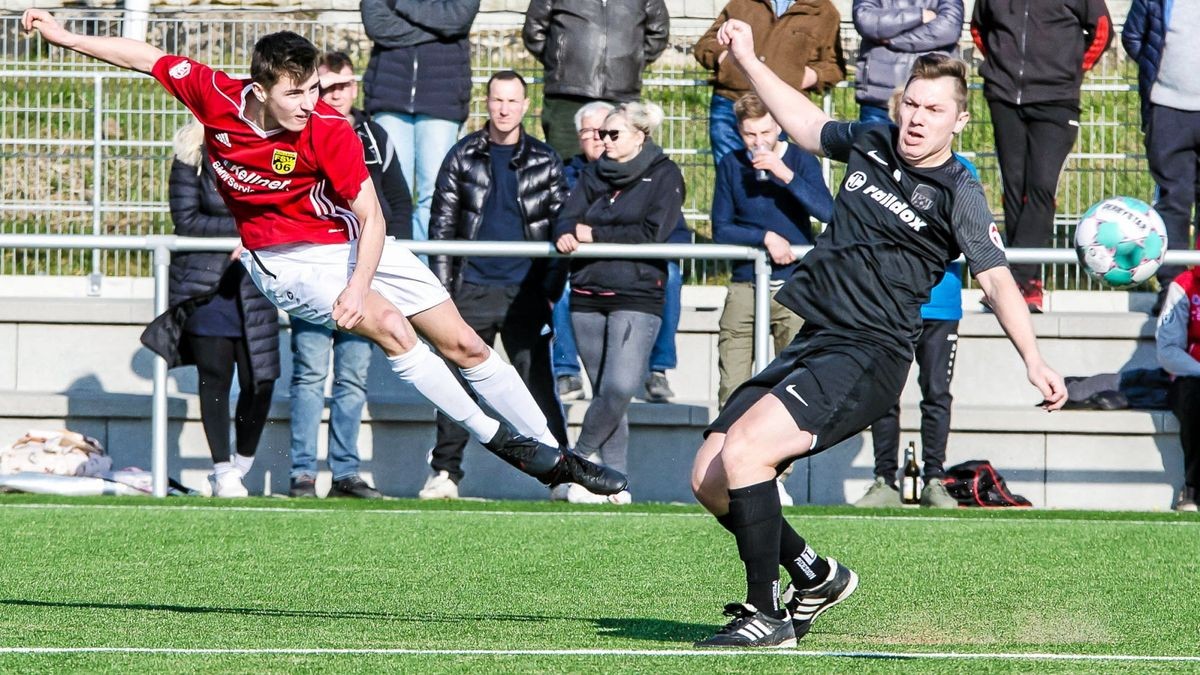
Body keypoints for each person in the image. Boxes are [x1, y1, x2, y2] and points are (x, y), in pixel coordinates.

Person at [22, 9, 626, 500]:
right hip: (284, 262)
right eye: (296, 93)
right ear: (260, 90)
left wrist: (357, 285)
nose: (311, 101)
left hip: (354, 244)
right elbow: (144, 57)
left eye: (315, 88)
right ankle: (506, 444)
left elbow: (371, 214)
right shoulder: (216, 95)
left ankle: (556, 453)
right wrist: (63, 34)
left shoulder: (329, 128)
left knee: (466, 343)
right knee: (390, 325)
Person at [689, 19, 1067, 648]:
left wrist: (1033, 358)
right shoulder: (872, 140)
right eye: (911, 104)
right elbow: (806, 125)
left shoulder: (959, 193)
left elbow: (997, 279)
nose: (917, 118)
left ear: (959, 121)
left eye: (934, 109)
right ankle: (816, 576)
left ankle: (766, 614)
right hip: (818, 337)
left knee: (746, 454)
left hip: (869, 352)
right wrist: (752, 61)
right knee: (709, 477)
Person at [419, 70, 571, 500]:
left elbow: (562, 223)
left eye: (513, 101)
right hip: (471, 287)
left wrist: (548, 289)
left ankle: (561, 474)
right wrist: (444, 292)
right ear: (487, 103)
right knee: (456, 383)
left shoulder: (545, 159)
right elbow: (442, 227)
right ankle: (445, 473)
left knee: (537, 383)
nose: (504, 109)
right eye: (497, 100)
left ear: (526, 106)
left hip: (525, 290)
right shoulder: (462, 155)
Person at [286, 51, 414, 500]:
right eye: (327, 86)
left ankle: (345, 473)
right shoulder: (299, 129)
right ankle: (302, 472)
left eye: (344, 86)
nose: (336, 95)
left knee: (353, 376)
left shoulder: (375, 136)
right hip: (313, 274)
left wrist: (372, 267)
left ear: (355, 87)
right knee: (309, 374)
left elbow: (399, 205)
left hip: (363, 278)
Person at [554, 101, 685, 504]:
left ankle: (574, 464)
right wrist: (566, 232)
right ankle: (616, 484)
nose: (603, 141)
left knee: (619, 388)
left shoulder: (665, 175)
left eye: (613, 134)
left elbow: (652, 233)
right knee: (606, 397)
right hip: (588, 292)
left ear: (639, 136)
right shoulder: (593, 173)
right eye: (600, 134)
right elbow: (567, 215)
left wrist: (593, 234)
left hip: (638, 294)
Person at [140, 120, 280, 498]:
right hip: (206, 288)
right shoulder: (190, 155)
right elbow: (186, 220)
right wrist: (241, 233)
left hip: (255, 284)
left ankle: (239, 466)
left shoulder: (263, 156)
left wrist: (253, 237)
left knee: (261, 381)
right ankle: (222, 469)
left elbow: (278, 212)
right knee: (215, 377)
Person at [970, 0, 1112, 312]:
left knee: (1041, 186)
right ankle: (1025, 284)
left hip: (1057, 99)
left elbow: (1102, 30)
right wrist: (1001, 67)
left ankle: (1014, 280)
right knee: (1014, 187)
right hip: (1005, 97)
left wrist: (1072, 70)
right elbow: (979, 28)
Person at [359, 0, 479, 244]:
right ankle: (390, 269)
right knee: (389, 194)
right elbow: (376, 24)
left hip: (441, 102)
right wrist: (438, 30)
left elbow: (457, 19)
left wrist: (400, 4)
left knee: (433, 196)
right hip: (389, 98)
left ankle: (425, 271)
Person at [694, 0, 844, 167]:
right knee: (729, 173)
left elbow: (834, 66)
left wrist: (804, 76)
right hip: (731, 100)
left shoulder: (823, 11)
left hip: (781, 108)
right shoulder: (742, 3)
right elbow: (706, 44)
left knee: (772, 178)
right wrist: (723, 60)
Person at [1123, 0, 1200, 313]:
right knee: (1173, 201)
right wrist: (1160, 73)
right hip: (1167, 109)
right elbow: (1133, 36)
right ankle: (1173, 289)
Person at [522, 0, 670, 160]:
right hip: (566, 94)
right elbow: (534, 29)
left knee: (620, 163)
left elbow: (658, 31)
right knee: (563, 164)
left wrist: (632, 62)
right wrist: (560, 61)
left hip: (621, 93)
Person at [852, 0, 963, 123]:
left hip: (931, 98)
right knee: (873, 141)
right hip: (879, 97)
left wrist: (892, 40)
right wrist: (919, 15)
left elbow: (948, 28)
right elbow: (865, 20)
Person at [1156, 266, 1200, 512]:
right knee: (1195, 395)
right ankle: (1193, 487)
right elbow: (1168, 351)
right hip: (1192, 376)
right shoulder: (1184, 284)